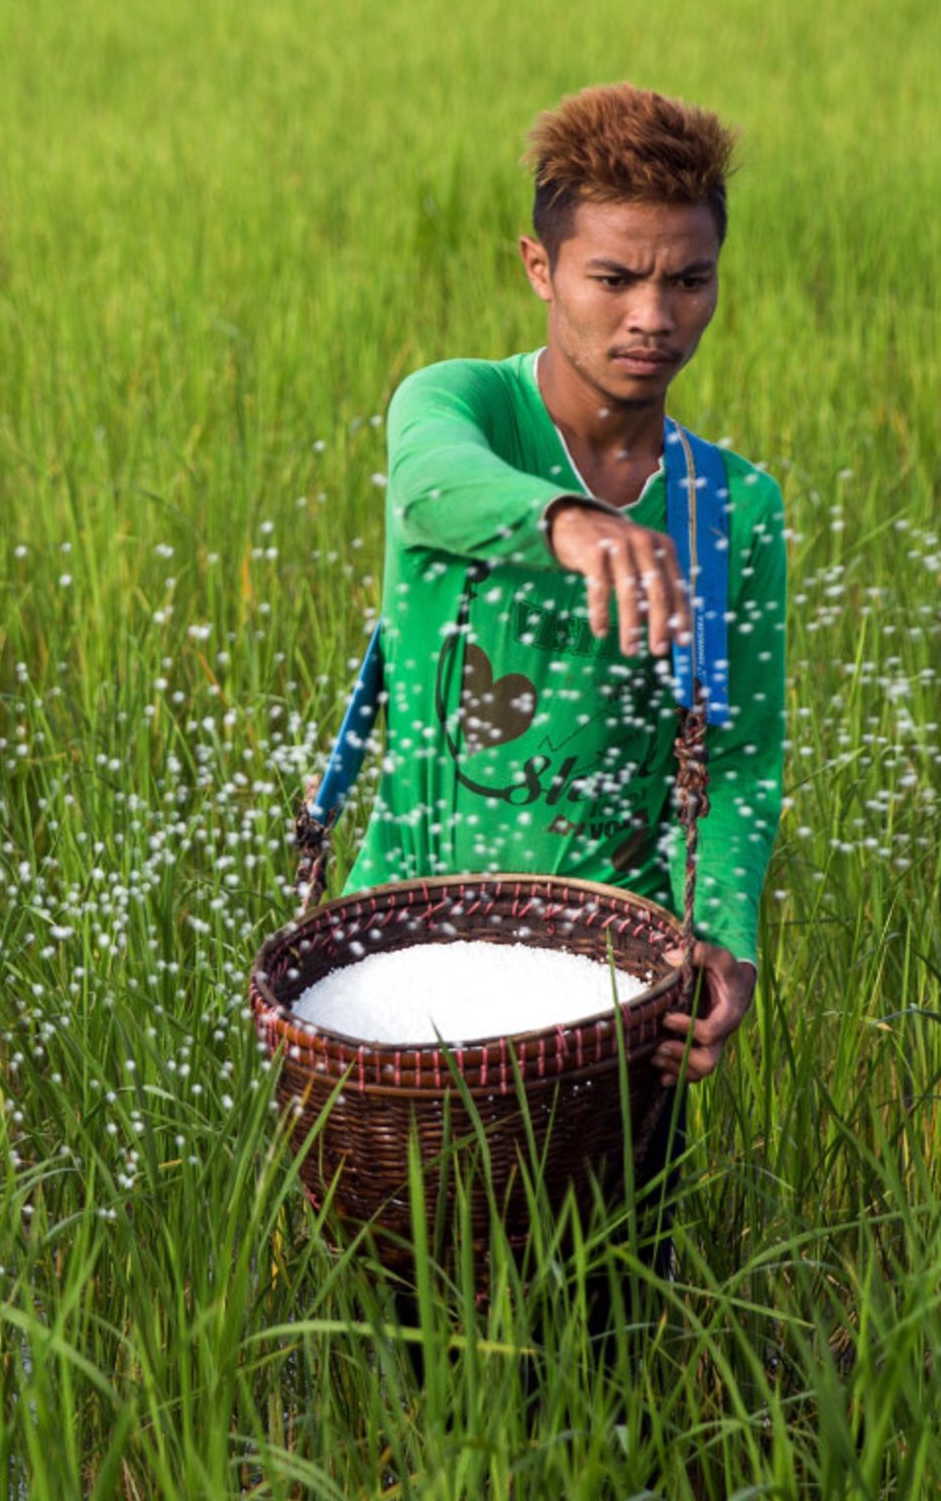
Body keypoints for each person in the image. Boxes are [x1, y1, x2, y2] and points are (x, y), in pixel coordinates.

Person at [335, 82, 788, 1136]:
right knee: (393, 1291)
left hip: (619, 1007)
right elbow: (430, 480)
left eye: (688, 279)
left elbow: (739, 756)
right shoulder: (462, 408)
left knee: (612, 1291)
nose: (653, 315)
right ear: (539, 269)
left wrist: (722, 936)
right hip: (401, 965)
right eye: (613, 276)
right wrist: (569, 523)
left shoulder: (730, 508)